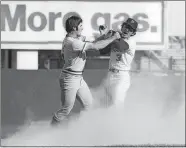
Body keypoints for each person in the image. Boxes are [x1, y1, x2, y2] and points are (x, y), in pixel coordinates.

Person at [51, 15, 121, 126]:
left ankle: (80, 129)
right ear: (74, 28)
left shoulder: (75, 39)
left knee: (90, 106)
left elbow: (93, 43)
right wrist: (113, 38)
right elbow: (95, 47)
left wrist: (103, 36)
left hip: (78, 78)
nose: (82, 28)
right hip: (69, 79)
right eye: (80, 25)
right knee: (66, 110)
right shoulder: (72, 43)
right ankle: (51, 130)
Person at [97, 18, 138, 108]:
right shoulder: (116, 39)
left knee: (117, 105)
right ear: (122, 27)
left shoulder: (131, 42)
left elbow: (120, 46)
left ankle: (119, 122)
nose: (127, 29)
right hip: (110, 75)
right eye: (125, 26)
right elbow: (102, 51)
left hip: (121, 77)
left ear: (133, 33)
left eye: (130, 29)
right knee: (106, 104)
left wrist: (111, 35)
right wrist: (104, 35)